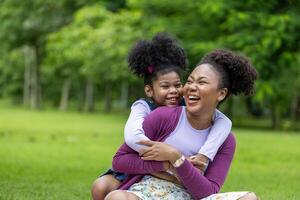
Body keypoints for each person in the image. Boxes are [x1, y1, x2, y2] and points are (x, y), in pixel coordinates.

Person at [91, 34, 232, 200]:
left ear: (221, 94)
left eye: (177, 85)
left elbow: (224, 122)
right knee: (101, 187)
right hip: (140, 163)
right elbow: (132, 137)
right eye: (165, 86)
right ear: (149, 90)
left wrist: (203, 157)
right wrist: (164, 158)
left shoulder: (187, 106)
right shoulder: (143, 108)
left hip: (180, 179)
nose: (173, 91)